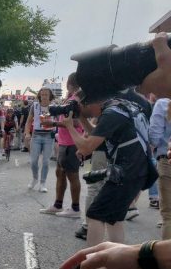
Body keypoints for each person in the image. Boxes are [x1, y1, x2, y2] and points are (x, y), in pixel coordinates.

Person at [62, 89, 153, 247]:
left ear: (90, 103)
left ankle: (91, 262)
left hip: (127, 171)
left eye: (81, 108)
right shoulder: (119, 107)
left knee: (95, 214)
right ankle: (115, 267)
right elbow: (100, 135)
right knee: (114, 219)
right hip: (136, 169)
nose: (81, 111)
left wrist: (70, 126)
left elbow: (86, 148)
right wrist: (82, 119)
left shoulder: (111, 113)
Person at [40, 74, 83, 218]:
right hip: (64, 142)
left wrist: (52, 124)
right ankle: (58, 205)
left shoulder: (75, 101)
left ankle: (75, 209)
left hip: (72, 143)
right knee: (60, 173)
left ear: (69, 84)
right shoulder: (70, 100)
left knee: (72, 175)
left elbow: (77, 123)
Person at [24, 87, 56, 192]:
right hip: (36, 135)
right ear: (39, 96)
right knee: (33, 161)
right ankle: (35, 178)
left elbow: (60, 120)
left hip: (49, 136)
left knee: (46, 162)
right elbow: (29, 121)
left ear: (50, 96)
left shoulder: (55, 107)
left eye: (46, 95)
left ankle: (43, 183)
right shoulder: (35, 106)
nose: (44, 97)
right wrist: (27, 133)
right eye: (42, 95)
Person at [149, 93, 171, 238]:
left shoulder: (162, 104)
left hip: (166, 160)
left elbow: (154, 138)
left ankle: (167, 259)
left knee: (169, 216)